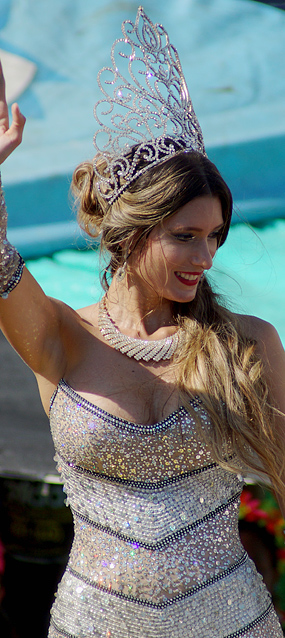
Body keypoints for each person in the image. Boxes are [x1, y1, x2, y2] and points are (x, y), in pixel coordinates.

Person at [1, 7, 285, 638]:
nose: (206, 257)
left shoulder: (248, 342)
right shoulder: (62, 336)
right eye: (186, 236)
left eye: (215, 237)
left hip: (232, 624)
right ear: (130, 236)